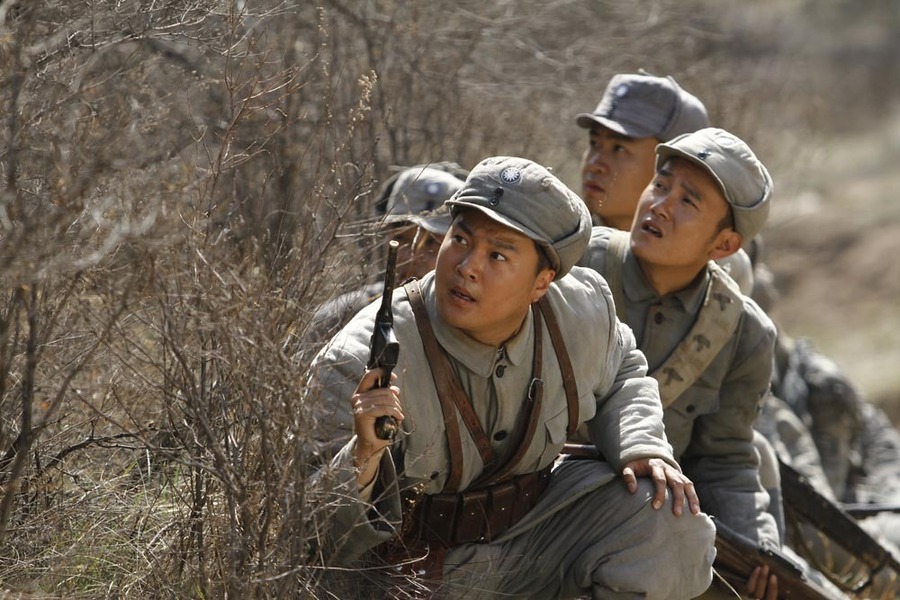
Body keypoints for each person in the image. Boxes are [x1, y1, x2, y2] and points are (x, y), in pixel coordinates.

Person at [308, 156, 716, 598]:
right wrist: (362, 457)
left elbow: (622, 372)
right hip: (415, 571)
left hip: (533, 532)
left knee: (669, 520)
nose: (467, 266)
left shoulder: (582, 308)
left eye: (497, 254)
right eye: (461, 239)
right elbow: (313, 533)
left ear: (542, 283)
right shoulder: (358, 359)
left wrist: (640, 444)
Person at [576, 127, 783, 599]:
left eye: (688, 201)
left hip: (644, 523)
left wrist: (758, 551)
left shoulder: (744, 334)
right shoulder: (579, 261)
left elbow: (724, 460)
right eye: (661, 184)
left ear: (725, 245)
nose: (660, 205)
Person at [306, 165, 464, 350]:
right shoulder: (339, 318)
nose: (412, 256)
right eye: (400, 238)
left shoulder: (476, 328)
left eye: (432, 243)